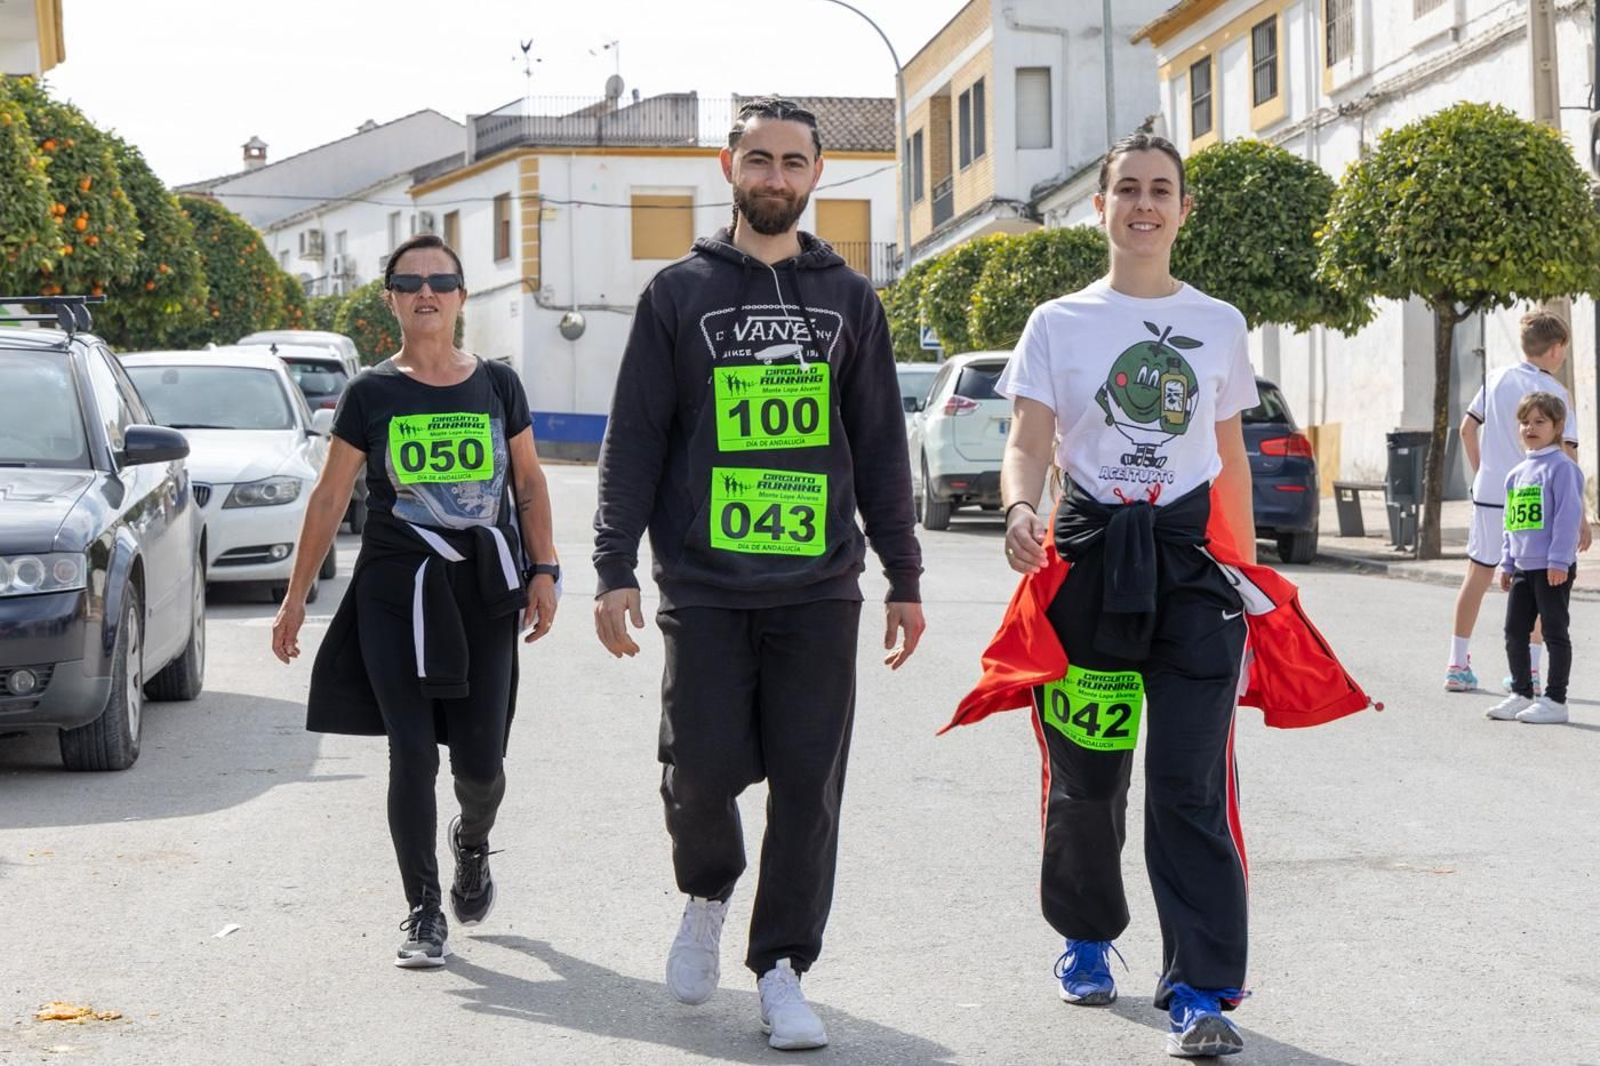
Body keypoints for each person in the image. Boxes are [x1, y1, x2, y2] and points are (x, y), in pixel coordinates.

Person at [941, 134, 1375, 1059]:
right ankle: (1087, 940)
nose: (1144, 203)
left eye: (1161, 190)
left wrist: (1253, 576)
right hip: (1090, 568)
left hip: (1191, 578)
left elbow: (1227, 462)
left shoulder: (1219, 322)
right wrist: (1021, 507)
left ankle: (1204, 989)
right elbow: (1028, 440)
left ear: (1184, 211)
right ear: (1099, 208)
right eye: (1127, 189)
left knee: (1191, 786)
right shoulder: (1058, 323)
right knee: (1088, 783)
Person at [591, 97, 924, 1051]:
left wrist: (902, 575)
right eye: (759, 159)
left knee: (809, 785)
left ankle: (782, 967)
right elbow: (636, 441)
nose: (775, 176)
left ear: (817, 175)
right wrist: (615, 567)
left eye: (793, 162)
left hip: (820, 590)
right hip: (703, 585)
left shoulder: (850, 299)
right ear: (729, 167)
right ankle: (706, 894)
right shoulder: (677, 294)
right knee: (698, 773)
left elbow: (880, 446)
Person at [270, 234, 560, 968]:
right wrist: (295, 599)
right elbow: (332, 495)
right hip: (398, 588)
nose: (426, 291)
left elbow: (527, 483)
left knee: (480, 765)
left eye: (441, 280)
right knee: (409, 754)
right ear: (391, 299)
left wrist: (546, 567)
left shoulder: (498, 384)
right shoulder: (372, 392)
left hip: (482, 590)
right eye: (410, 281)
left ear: (462, 296)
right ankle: (423, 910)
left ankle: (471, 841)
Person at [1447, 311, 1587, 693]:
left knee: (1477, 573)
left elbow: (1466, 428)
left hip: (1493, 491)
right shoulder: (1556, 394)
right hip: (1538, 495)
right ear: (1556, 349)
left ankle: (1457, 664)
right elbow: (1567, 450)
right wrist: (1580, 513)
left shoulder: (1494, 378)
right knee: (1540, 578)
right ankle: (1531, 671)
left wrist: (1483, 472)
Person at [1487, 393, 1584, 724]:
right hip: (1523, 568)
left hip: (1552, 567)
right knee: (1515, 630)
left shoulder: (1563, 469)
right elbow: (1510, 522)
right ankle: (1522, 692)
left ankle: (1556, 700)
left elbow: (1568, 517)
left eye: (1540, 421)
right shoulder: (1516, 473)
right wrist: (1507, 563)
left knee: (1555, 631)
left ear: (1557, 427)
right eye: (1525, 421)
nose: (1530, 427)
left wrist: (1559, 560)